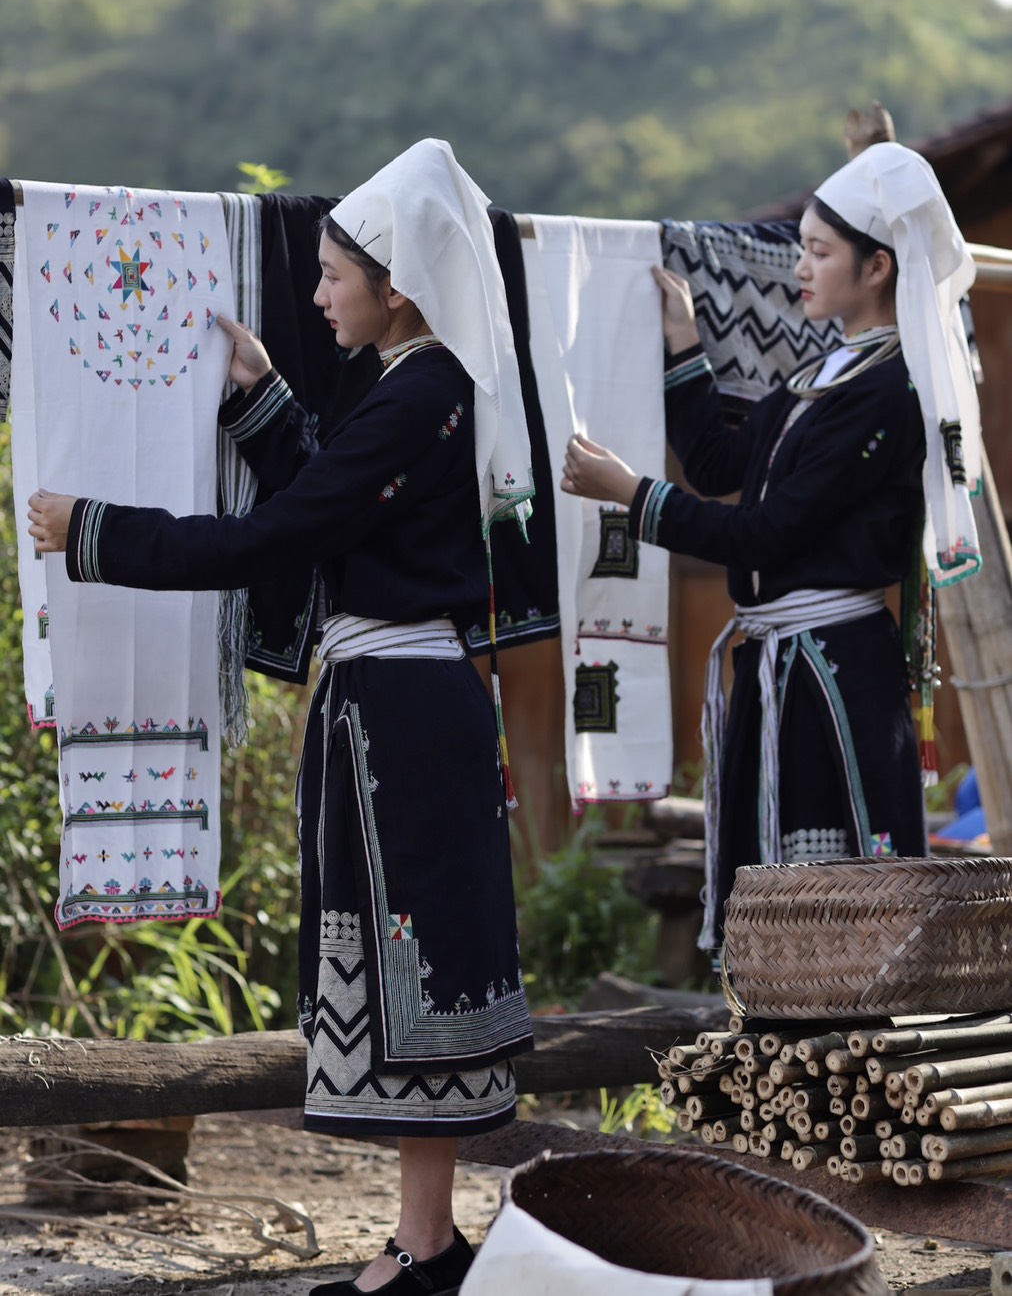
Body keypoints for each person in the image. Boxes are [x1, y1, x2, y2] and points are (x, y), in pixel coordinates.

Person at [29, 138, 536, 1296]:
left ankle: (423, 1247)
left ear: (393, 285)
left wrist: (95, 530)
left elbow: (278, 536)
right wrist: (262, 395)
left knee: (419, 971)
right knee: (420, 970)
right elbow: (337, 499)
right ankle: (425, 1242)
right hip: (406, 710)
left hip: (400, 722)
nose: (315, 296)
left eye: (329, 278)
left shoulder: (424, 398)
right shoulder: (422, 388)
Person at [561, 142, 981, 950]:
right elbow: (722, 467)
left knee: (832, 890)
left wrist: (633, 495)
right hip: (780, 663)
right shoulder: (819, 375)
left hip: (834, 670)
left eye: (821, 252)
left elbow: (766, 531)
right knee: (776, 884)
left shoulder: (887, 393)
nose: (802, 266)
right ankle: (787, 1034)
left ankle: (840, 1041)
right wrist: (684, 345)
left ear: (879, 269)